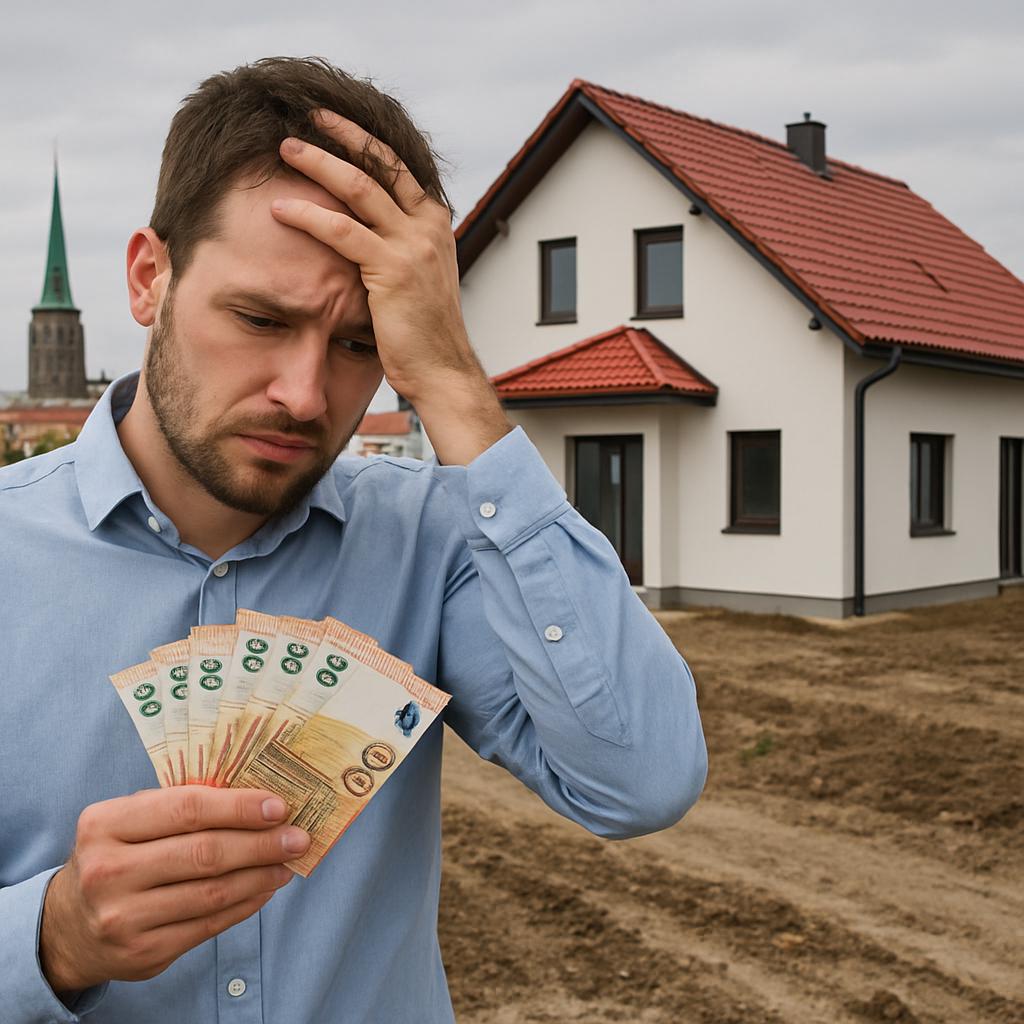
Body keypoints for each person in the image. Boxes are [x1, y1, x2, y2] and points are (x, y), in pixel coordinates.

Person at [0, 57, 707, 1023]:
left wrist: (453, 382)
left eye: (359, 343)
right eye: (259, 318)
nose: (303, 393)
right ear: (148, 277)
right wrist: (54, 938)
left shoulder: (431, 542)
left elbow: (642, 779)